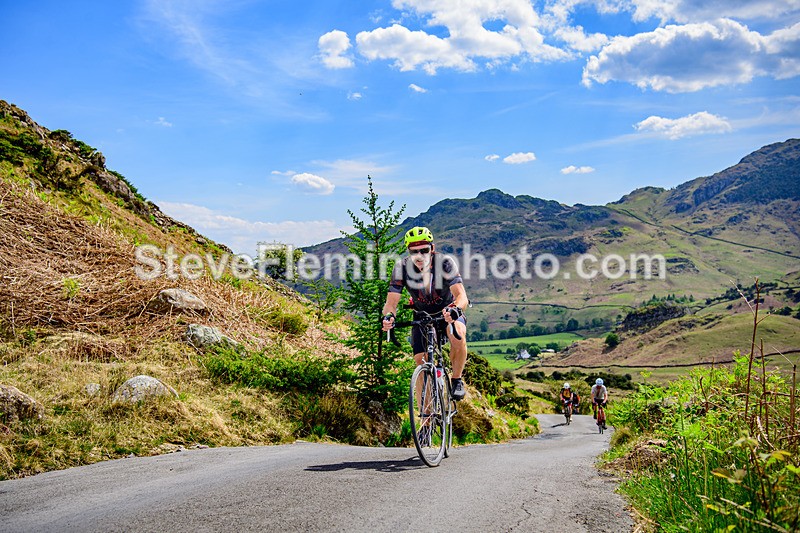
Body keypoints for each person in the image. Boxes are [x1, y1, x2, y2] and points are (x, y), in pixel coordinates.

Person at [381, 226, 469, 400]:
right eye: (414, 252)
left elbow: (461, 296)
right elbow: (391, 303)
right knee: (420, 360)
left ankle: (457, 379)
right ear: (408, 252)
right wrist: (388, 317)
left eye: (424, 250)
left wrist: (455, 309)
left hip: (447, 311)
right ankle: (425, 418)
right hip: (422, 316)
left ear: (432, 249)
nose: (419, 256)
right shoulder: (402, 268)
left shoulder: (444, 263)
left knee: (458, 333)